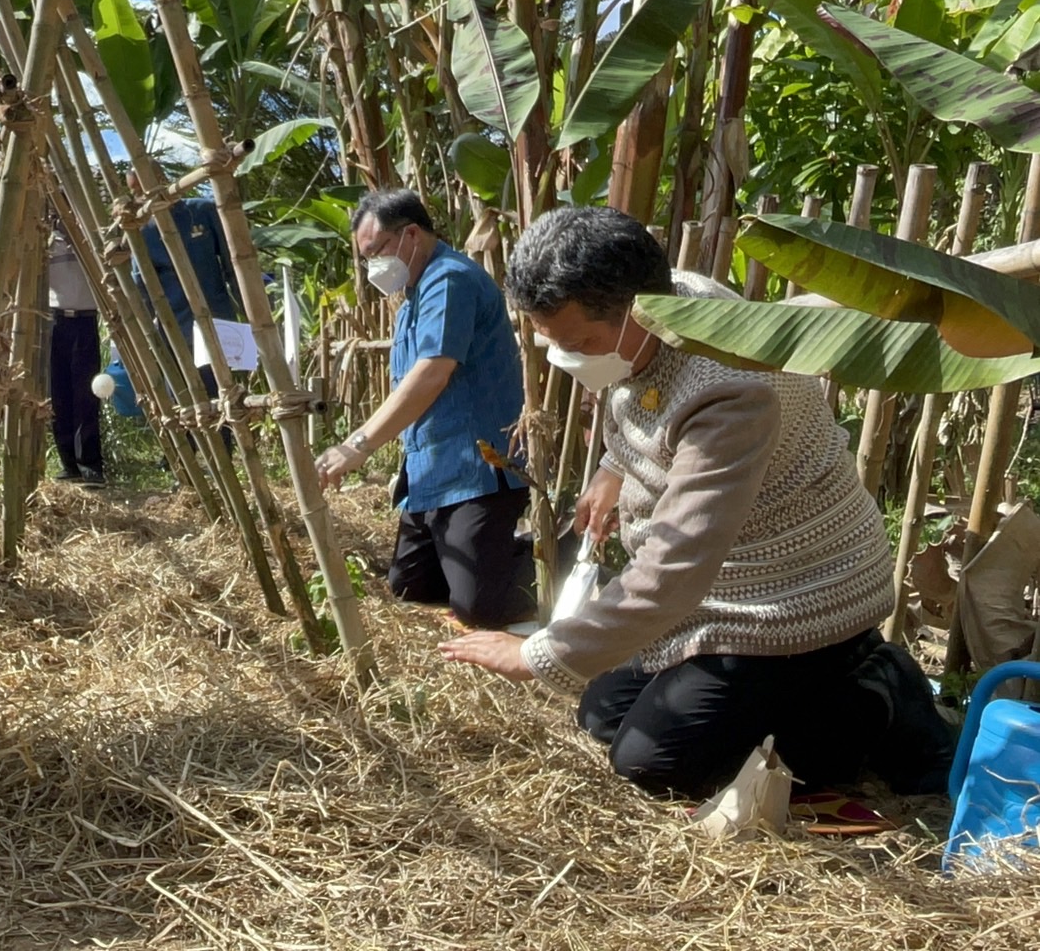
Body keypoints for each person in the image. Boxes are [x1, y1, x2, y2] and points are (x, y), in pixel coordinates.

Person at [438, 205, 957, 798]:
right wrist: (612, 469)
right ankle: (794, 693)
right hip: (717, 586)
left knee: (655, 763)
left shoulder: (729, 389)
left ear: (638, 311)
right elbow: (646, 411)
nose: (568, 358)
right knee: (602, 714)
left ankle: (869, 690)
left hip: (790, 593)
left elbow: (673, 569)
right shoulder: (671, 298)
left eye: (580, 342)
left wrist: (537, 652)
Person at [315, 189, 530, 627]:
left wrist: (358, 445)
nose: (373, 267)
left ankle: (558, 555)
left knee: (478, 611)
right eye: (366, 258)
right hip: (432, 470)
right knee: (410, 586)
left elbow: (432, 373)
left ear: (411, 234)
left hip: (478, 468)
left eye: (376, 252)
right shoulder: (413, 298)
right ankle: (496, 557)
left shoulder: (449, 280)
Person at [126, 171, 241, 400]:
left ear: (161, 181)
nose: (141, 197)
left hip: (218, 322)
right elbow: (142, 287)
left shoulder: (201, 211)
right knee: (187, 401)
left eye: (141, 189)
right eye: (134, 192)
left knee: (225, 397)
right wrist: (148, 335)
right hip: (175, 328)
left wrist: (250, 312)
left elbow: (234, 264)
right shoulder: (142, 231)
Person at [48, 225, 105, 486]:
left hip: (85, 321)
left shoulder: (92, 236)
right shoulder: (44, 241)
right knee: (58, 395)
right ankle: (69, 464)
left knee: (86, 394)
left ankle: (90, 465)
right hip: (54, 322)